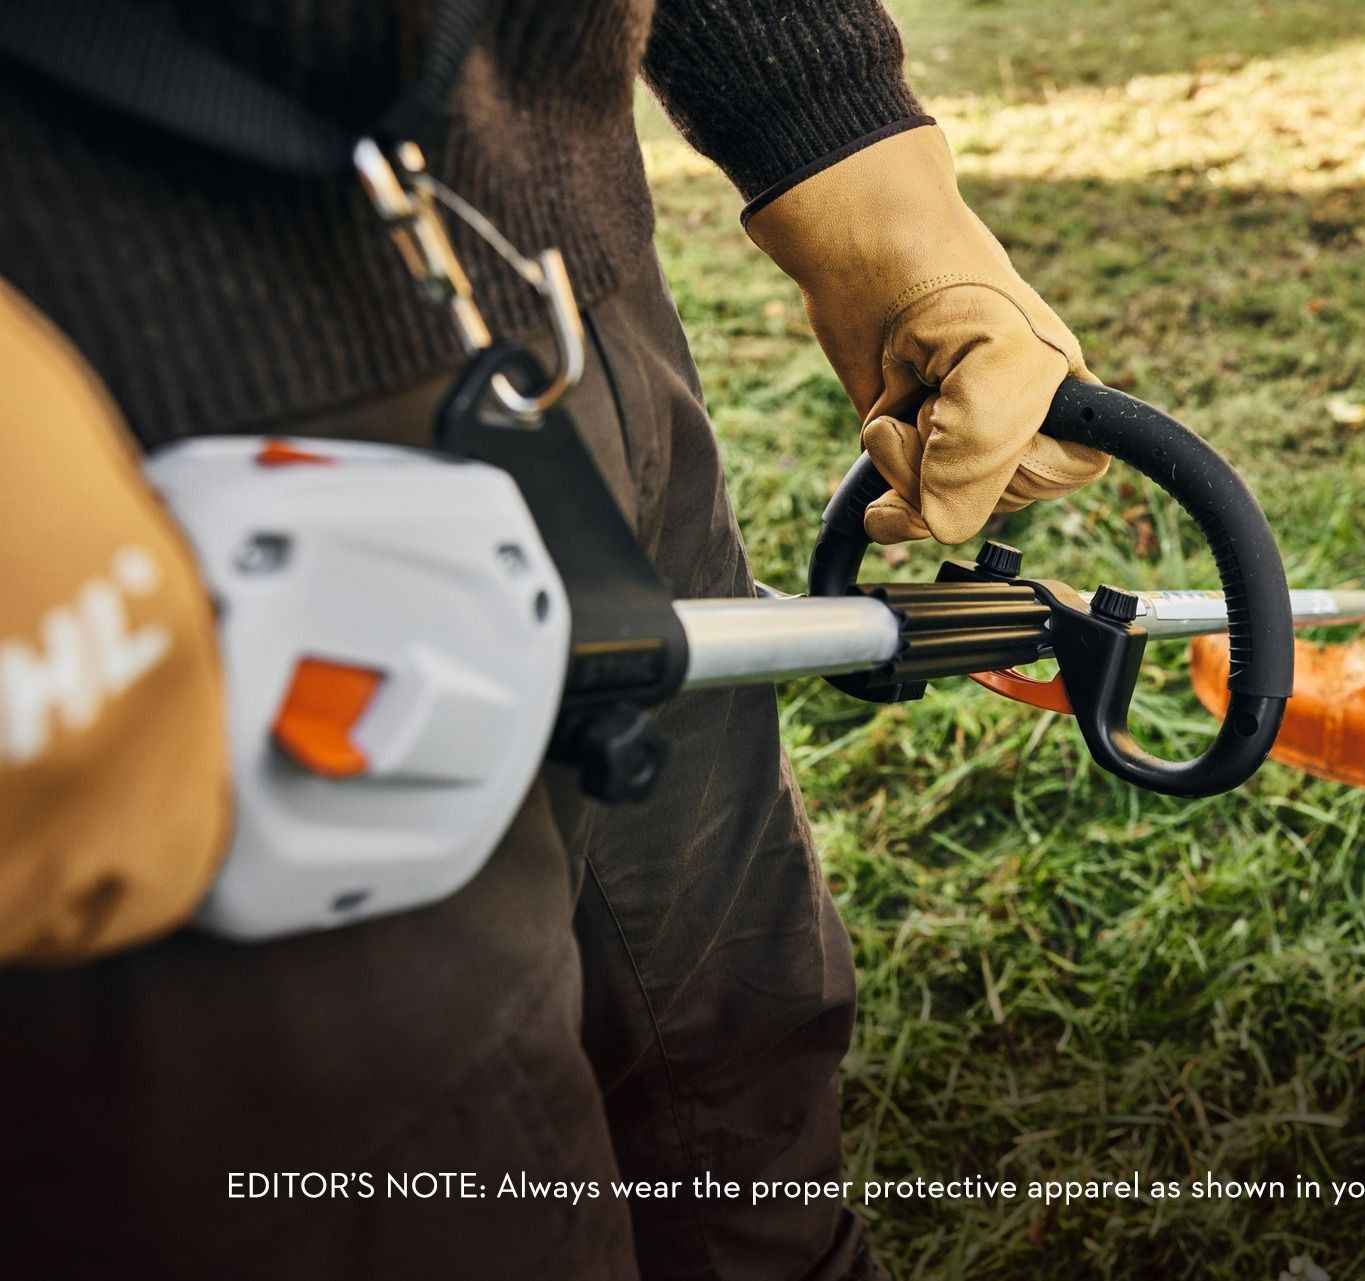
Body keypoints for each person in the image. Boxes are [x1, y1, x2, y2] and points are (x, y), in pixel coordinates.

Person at [0, 2, 1108, 1278]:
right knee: (423, 1197)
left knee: (739, 1075)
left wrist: (867, 177)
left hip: (579, 328)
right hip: (142, 457)